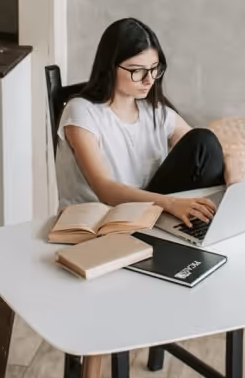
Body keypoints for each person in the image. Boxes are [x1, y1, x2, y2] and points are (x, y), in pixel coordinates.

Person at [56, 17, 225, 227]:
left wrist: (236, 179)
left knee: (204, 141)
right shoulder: (81, 112)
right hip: (97, 223)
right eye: (138, 71)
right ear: (110, 67)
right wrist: (171, 203)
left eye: (154, 69)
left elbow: (205, 151)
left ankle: (208, 224)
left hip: (147, 214)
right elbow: (104, 188)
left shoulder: (155, 111)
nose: (149, 80)